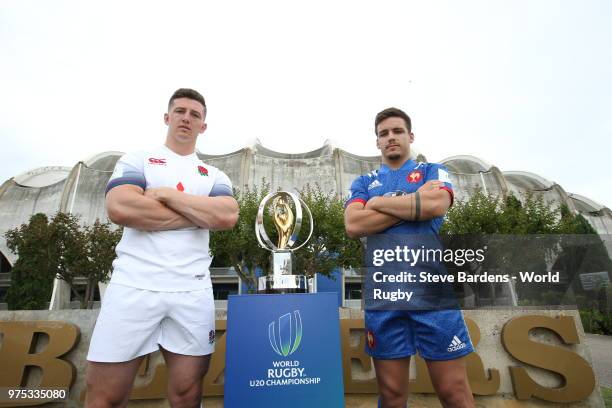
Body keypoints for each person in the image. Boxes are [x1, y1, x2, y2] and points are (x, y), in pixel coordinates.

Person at [86, 88, 239, 408]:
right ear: (167, 117)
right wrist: (198, 215)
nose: (187, 118)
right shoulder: (137, 159)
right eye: (180, 111)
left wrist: (168, 195)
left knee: (187, 395)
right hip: (133, 285)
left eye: (195, 114)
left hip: (191, 291)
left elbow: (226, 215)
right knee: (106, 398)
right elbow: (122, 208)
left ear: (203, 126)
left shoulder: (213, 175)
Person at [344, 108, 475, 408]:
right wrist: (405, 204)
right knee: (391, 396)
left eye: (397, 131)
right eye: (383, 133)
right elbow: (354, 225)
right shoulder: (363, 183)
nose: (390, 138)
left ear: (410, 136)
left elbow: (436, 205)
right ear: (376, 142)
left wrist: (377, 205)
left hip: (431, 295)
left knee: (454, 393)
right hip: (384, 297)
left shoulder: (432, 171)